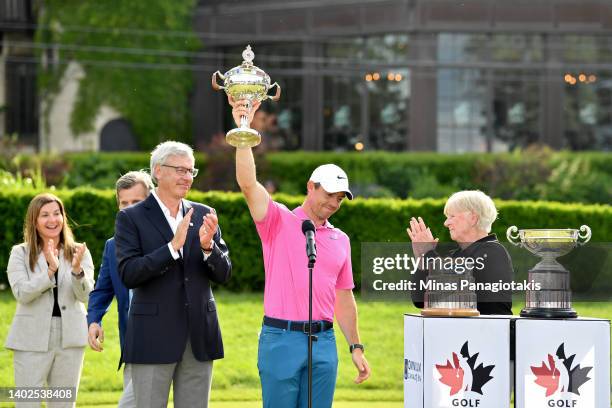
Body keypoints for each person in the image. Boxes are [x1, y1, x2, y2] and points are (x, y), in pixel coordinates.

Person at [231, 98, 371, 408]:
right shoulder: (278, 220)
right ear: (311, 186)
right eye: (329, 194)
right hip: (281, 338)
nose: (334, 203)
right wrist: (244, 131)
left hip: (324, 343)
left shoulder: (341, 239)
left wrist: (356, 346)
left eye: (340, 199)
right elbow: (248, 183)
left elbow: (344, 297)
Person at [114, 141, 231, 408]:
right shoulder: (131, 218)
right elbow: (129, 273)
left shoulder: (204, 214)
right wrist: (171, 248)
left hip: (200, 336)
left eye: (191, 171)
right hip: (153, 336)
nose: (186, 177)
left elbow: (224, 274)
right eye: (179, 170)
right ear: (157, 171)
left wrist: (207, 247)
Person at [5, 193, 94, 408]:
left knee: (63, 403)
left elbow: (86, 296)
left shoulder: (79, 252)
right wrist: (49, 271)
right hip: (30, 338)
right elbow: (22, 293)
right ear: (34, 221)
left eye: (57, 213)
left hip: (70, 337)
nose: (52, 220)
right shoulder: (20, 253)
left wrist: (77, 271)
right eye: (45, 215)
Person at [87, 171, 153, 407]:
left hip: (169, 344)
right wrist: (94, 320)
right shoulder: (112, 246)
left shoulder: (168, 240)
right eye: (123, 203)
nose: (128, 209)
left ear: (151, 202)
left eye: (136, 202)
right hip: (133, 346)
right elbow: (102, 291)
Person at [406, 190, 513, 315]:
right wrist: (422, 259)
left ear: (473, 218)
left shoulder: (493, 251)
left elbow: (452, 285)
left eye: (452, 216)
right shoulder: (456, 255)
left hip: (490, 332)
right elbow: (420, 300)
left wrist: (429, 254)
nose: (446, 223)